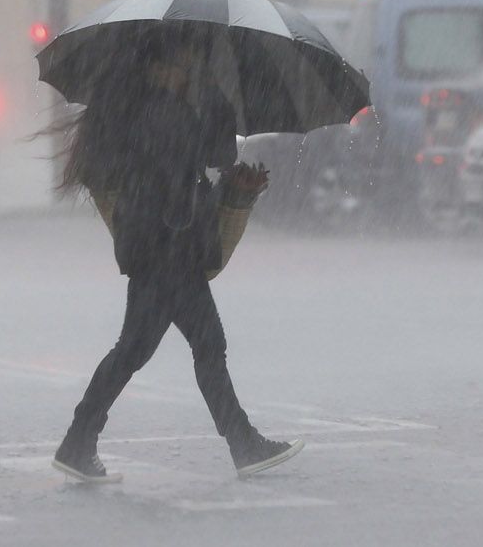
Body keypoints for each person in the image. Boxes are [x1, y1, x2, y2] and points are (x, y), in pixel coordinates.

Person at [52, 26, 304, 483]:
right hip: (169, 251)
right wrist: (209, 98)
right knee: (193, 348)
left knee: (146, 350)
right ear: (159, 68)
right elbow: (210, 156)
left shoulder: (149, 111)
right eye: (183, 62)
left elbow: (198, 163)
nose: (188, 69)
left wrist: (205, 98)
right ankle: (241, 443)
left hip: (159, 249)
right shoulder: (165, 114)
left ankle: (79, 440)